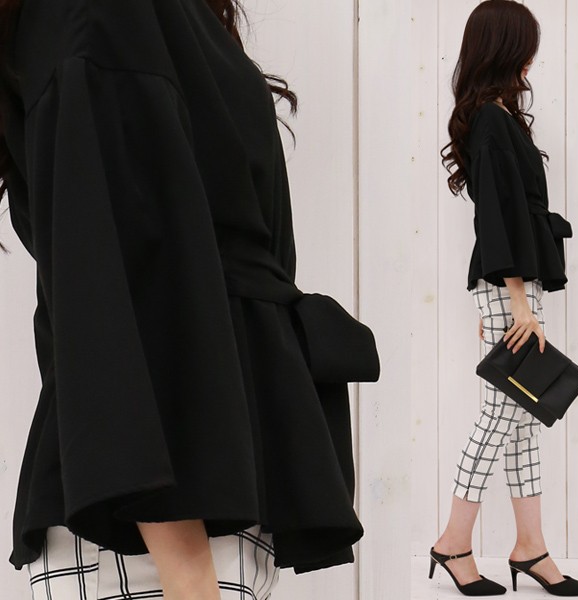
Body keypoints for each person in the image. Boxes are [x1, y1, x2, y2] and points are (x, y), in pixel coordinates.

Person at [0, 0, 380, 599]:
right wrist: (187, 575)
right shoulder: (96, 13)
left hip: (205, 486)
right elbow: (108, 286)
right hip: (160, 522)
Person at [433, 1, 578, 596]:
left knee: (523, 422)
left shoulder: (500, 116)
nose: (533, 57)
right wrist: (515, 302)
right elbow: (496, 220)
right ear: (506, 48)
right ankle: (453, 542)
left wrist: (508, 298)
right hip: (513, 286)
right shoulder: (492, 122)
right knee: (501, 416)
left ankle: (531, 547)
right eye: (526, 45)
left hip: (513, 285)